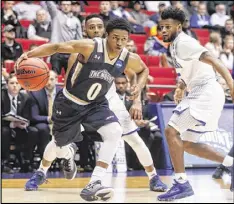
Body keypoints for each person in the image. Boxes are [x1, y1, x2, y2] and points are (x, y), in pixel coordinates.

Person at [23, 13, 167, 195]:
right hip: (72, 102)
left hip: (102, 102)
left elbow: (139, 71)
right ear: (89, 30)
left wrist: (137, 96)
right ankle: (54, 163)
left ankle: (111, 179)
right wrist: (29, 54)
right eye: (93, 27)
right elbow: (62, 59)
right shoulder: (83, 49)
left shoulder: (124, 55)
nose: (97, 30)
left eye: (99, 26)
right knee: (59, 145)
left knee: (126, 136)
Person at [157, 8, 234, 201]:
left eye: (168, 27)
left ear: (179, 26)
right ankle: (231, 163)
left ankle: (181, 183)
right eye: (161, 27)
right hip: (201, 91)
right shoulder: (175, 46)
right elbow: (189, 71)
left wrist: (232, 85)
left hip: (206, 92)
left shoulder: (184, 42)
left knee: (170, 131)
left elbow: (215, 61)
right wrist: (180, 86)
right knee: (188, 145)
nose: (163, 30)